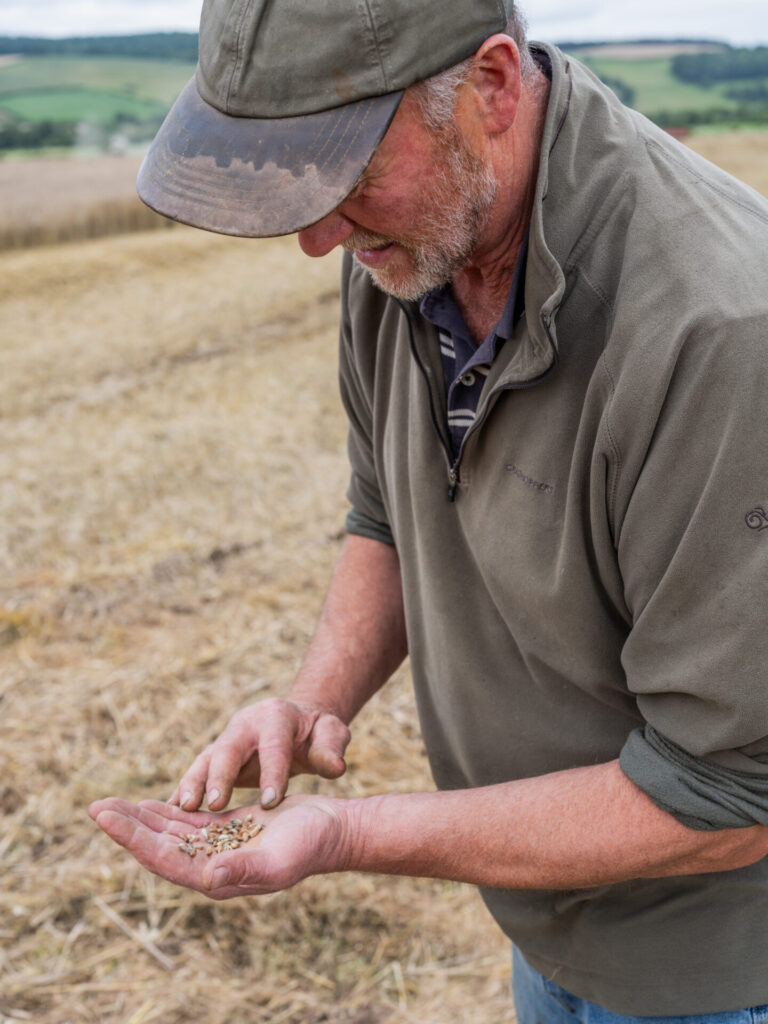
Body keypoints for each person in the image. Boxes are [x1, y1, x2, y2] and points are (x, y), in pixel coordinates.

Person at [89, 1, 768, 1020]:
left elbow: (731, 794)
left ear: (491, 87)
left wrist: (346, 832)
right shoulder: (421, 239)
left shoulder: (715, 334)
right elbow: (391, 510)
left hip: (716, 964)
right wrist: (315, 699)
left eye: (349, 175)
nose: (317, 238)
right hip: (547, 912)